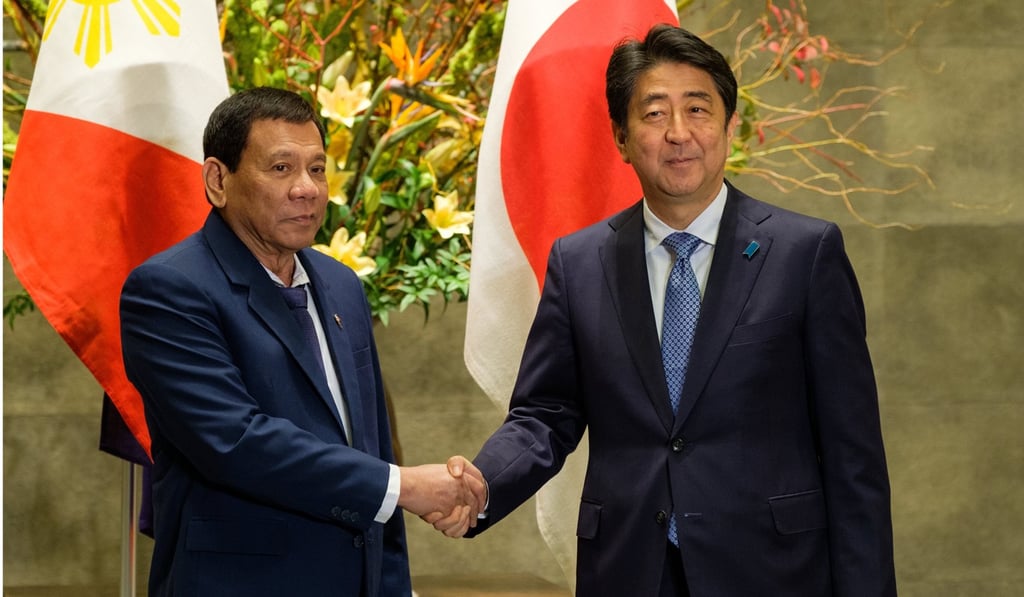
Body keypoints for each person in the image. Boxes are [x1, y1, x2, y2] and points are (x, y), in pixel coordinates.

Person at [444, 24, 896, 596]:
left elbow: (853, 454)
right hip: (628, 569)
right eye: (654, 114)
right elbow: (546, 414)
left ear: (730, 126)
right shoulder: (580, 263)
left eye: (699, 110)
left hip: (772, 571)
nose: (679, 133)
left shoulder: (805, 254)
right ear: (621, 137)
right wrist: (482, 484)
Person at [120, 87, 481, 597]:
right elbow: (237, 442)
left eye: (317, 168)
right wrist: (404, 486)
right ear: (218, 180)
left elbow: (370, 442)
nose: (307, 189)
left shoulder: (341, 285)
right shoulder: (168, 289)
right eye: (282, 168)